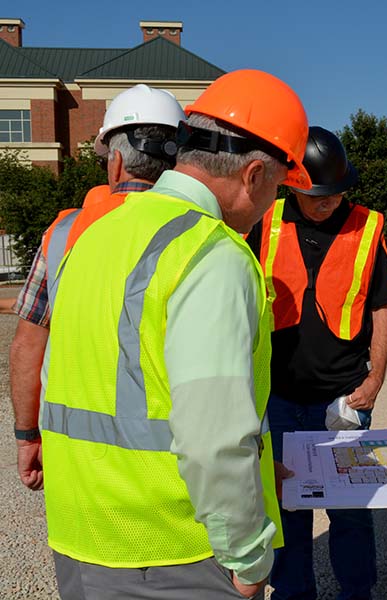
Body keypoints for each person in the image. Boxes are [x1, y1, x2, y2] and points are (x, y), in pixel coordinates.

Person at [22, 69, 311, 599]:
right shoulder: (212, 254)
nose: (273, 207)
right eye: (276, 189)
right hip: (170, 549)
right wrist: (247, 555)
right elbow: (213, 435)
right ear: (252, 176)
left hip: (79, 531)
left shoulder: (93, 234)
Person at [246, 126, 387, 600]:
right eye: (317, 196)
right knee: (288, 511)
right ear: (293, 183)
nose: (327, 203)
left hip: (345, 397)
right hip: (280, 397)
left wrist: (376, 378)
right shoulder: (264, 222)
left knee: (351, 510)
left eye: (335, 194)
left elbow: (381, 307)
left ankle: (357, 593)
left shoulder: (367, 227)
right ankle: (294, 594)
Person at [10, 83, 186, 492]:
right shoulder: (204, 232)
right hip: (174, 473)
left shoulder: (62, 235)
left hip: (77, 470)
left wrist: (26, 435)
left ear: (116, 158)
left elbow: (28, 344)